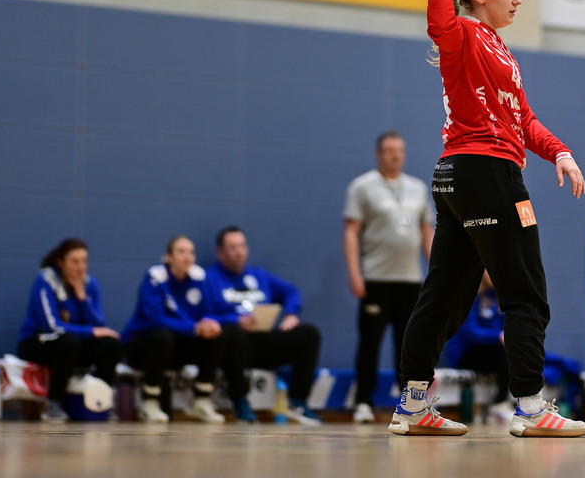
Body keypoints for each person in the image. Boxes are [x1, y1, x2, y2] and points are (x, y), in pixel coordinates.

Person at [389, 0, 585, 437]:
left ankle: (412, 406)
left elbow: (524, 119)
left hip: (459, 177)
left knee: (445, 297)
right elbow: (438, 20)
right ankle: (529, 408)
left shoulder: (501, 51)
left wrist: (560, 152)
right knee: (526, 295)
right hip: (484, 172)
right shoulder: (461, 34)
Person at [343, 131, 435, 424]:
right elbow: (351, 232)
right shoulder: (363, 187)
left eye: (400, 150)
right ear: (379, 154)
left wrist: (436, 272)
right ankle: (363, 403)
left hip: (410, 280)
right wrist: (355, 273)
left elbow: (426, 233)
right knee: (370, 342)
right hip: (376, 279)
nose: (396, 155)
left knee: (408, 345)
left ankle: (409, 405)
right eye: (390, 150)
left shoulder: (418, 188)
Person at [121, 235, 246, 423]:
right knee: (163, 337)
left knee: (219, 334)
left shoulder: (198, 277)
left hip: (176, 346)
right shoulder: (156, 277)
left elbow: (208, 311)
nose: (187, 256)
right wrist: (194, 328)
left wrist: (208, 324)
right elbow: (155, 319)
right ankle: (149, 402)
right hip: (142, 345)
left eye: (191, 252)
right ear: (169, 257)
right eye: (181, 252)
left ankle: (201, 399)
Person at [205, 226, 323, 425]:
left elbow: (291, 291)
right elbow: (205, 316)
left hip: (262, 341)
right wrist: (235, 320)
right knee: (233, 334)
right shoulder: (210, 279)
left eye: (242, 246)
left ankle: (297, 402)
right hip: (233, 346)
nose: (239, 251)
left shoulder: (258, 276)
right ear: (220, 253)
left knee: (309, 334)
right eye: (232, 247)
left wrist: (291, 314)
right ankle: (240, 401)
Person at [17, 238, 121, 422]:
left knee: (110, 344)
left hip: (73, 345)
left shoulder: (89, 284)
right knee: (69, 341)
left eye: (84, 261)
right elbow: (53, 326)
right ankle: (53, 403)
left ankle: (101, 403)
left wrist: (82, 299)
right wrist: (91, 332)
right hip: (38, 341)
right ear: (61, 262)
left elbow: (99, 324)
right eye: (74, 261)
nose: (81, 267)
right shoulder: (46, 281)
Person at [443, 272, 516, 423]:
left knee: (514, 351)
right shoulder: (469, 296)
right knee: (505, 352)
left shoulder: (495, 298)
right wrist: (498, 336)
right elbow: (470, 333)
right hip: (465, 354)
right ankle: (499, 404)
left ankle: (504, 403)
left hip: (489, 352)